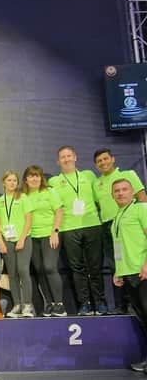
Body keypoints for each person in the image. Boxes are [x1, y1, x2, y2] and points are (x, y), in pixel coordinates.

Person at [48, 146, 107, 315]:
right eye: (62, 157)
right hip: (68, 228)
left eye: (68, 155)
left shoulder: (88, 175)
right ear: (57, 161)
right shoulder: (54, 182)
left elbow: (99, 199)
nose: (66, 159)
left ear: (75, 157)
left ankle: (100, 301)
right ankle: (85, 303)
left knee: (95, 266)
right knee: (77, 268)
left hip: (92, 225)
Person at [93, 148, 147, 313]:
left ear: (113, 159)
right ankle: (122, 305)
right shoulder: (97, 183)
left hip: (132, 228)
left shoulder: (129, 175)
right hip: (112, 226)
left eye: (105, 159)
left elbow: (142, 196)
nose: (103, 162)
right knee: (114, 264)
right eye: (99, 161)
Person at [110, 179, 147, 372]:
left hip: (142, 272)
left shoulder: (141, 209)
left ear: (133, 192)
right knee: (142, 317)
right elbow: (118, 246)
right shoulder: (118, 216)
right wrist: (118, 269)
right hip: (128, 272)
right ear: (112, 195)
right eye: (116, 191)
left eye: (124, 190)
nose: (121, 193)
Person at [22, 165, 67, 317]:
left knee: (49, 267)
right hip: (32, 237)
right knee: (40, 269)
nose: (34, 179)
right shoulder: (23, 196)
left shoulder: (50, 192)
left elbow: (59, 212)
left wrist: (55, 231)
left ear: (41, 178)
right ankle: (49, 303)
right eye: (31, 176)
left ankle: (60, 304)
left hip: (49, 235)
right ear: (26, 180)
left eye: (37, 176)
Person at [0, 170, 33, 318]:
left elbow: (29, 220)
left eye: (15, 180)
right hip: (7, 241)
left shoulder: (23, 198)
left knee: (23, 270)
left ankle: (28, 305)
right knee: (12, 274)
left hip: (23, 239)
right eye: (9, 180)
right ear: (3, 182)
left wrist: (22, 238)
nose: (12, 183)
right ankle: (17, 305)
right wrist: (1, 242)